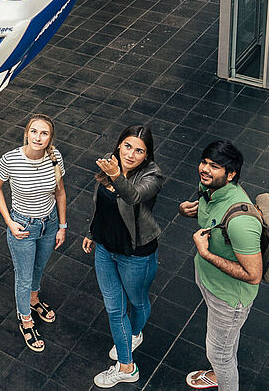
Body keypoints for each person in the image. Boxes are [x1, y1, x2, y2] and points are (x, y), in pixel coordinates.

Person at [82, 125, 163, 388]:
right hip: (105, 249)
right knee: (115, 309)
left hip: (136, 254)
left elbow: (133, 196)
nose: (131, 154)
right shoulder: (112, 162)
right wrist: (92, 233)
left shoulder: (152, 175)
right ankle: (127, 368)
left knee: (138, 303)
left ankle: (135, 333)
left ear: (147, 156)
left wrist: (116, 175)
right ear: (119, 145)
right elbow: (100, 203)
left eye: (139, 151)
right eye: (127, 146)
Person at [179, 140, 263, 391]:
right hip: (209, 281)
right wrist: (189, 212)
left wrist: (206, 254)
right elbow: (210, 215)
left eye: (214, 166)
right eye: (204, 162)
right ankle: (219, 373)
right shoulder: (210, 188)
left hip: (229, 298)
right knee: (225, 344)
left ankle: (223, 377)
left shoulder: (241, 222)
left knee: (220, 355)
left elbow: (254, 274)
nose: (205, 169)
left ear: (231, 173)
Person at [0, 114, 67, 353]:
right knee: (23, 277)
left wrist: (62, 226)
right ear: (26, 133)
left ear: (50, 138)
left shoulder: (55, 158)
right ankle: (26, 319)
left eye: (44, 133)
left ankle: (34, 300)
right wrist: (10, 222)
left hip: (49, 224)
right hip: (23, 226)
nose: (38, 137)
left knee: (38, 268)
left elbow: (60, 193)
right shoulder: (10, 159)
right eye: (34, 131)